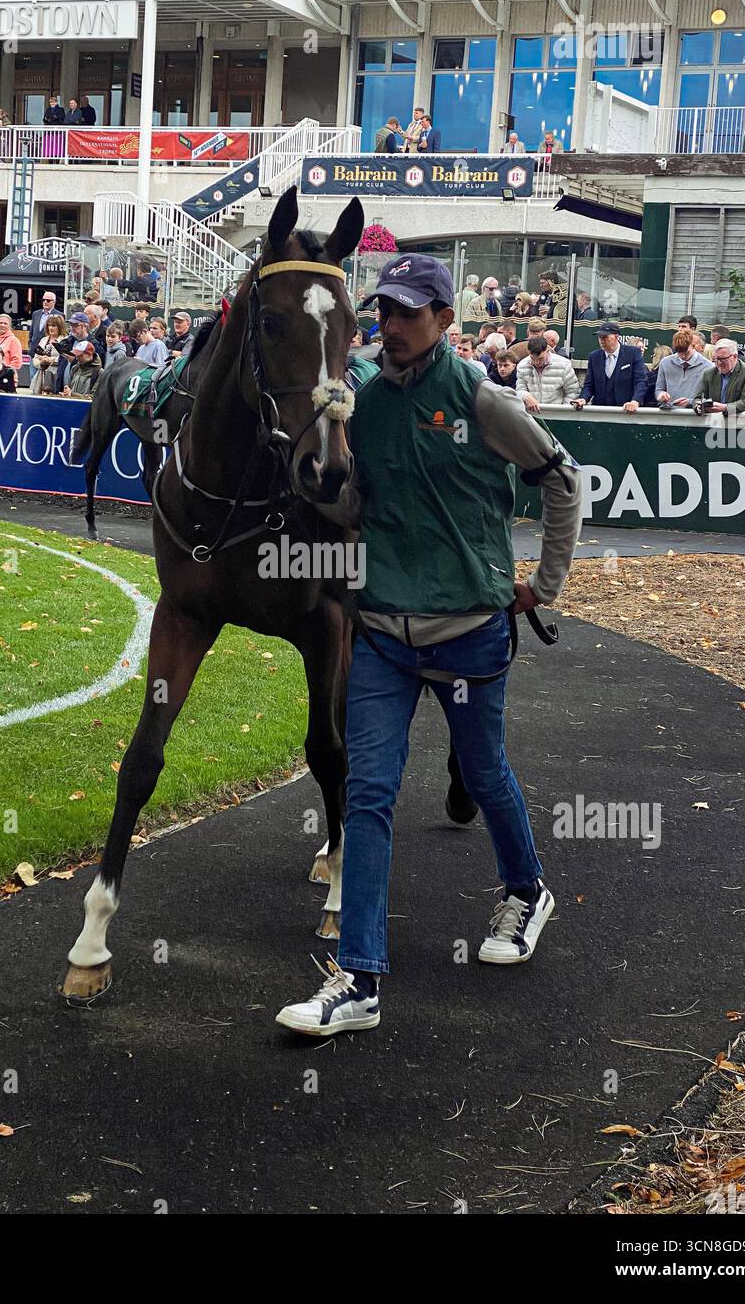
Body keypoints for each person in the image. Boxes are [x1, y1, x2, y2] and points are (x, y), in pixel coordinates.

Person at [275, 253, 583, 1036]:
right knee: (367, 794)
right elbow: (355, 509)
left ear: (446, 321)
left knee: (482, 773)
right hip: (380, 633)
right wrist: (322, 487)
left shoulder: (481, 398)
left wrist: (544, 584)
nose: (392, 326)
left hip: (469, 633)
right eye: (383, 312)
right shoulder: (364, 405)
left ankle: (524, 890)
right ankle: (359, 980)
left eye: (410, 313)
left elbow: (561, 476)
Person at [574, 320, 649, 411]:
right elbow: (589, 385)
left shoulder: (632, 353)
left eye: (605, 337)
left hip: (625, 411)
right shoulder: (594, 357)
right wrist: (583, 399)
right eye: (600, 337)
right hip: (600, 411)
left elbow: (641, 381)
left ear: (616, 337)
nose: (601, 340)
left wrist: (635, 401)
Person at [693, 338, 745, 415]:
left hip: (738, 423)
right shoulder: (709, 374)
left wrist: (726, 408)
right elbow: (698, 398)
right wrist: (698, 406)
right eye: (716, 359)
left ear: (735, 356)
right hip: (713, 423)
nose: (719, 363)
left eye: (723, 359)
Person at [515, 334, 580, 411]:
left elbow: (573, 392)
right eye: (532, 358)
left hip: (557, 413)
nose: (536, 362)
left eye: (540, 358)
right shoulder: (522, 366)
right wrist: (525, 396)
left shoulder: (564, 364)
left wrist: (563, 411)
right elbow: (520, 389)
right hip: (532, 413)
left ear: (548, 351)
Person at [654, 329, 711, 407]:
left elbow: (710, 398)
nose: (683, 356)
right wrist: (661, 395)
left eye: (686, 352)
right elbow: (659, 389)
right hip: (670, 414)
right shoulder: (665, 363)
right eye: (679, 352)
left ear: (693, 345)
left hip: (694, 416)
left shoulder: (708, 366)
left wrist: (690, 402)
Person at [30, 314, 68, 394]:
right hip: (41, 375)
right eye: (49, 325)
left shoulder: (65, 340)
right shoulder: (44, 340)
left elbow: (66, 358)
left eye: (53, 325)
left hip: (56, 376)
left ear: (60, 327)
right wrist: (41, 363)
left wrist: (51, 360)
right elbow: (35, 358)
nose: (50, 328)